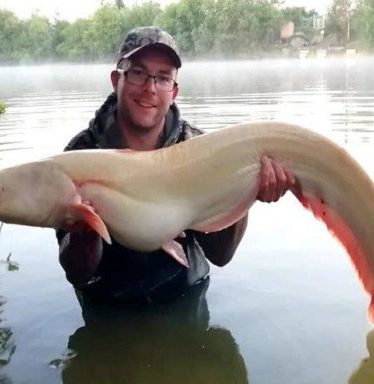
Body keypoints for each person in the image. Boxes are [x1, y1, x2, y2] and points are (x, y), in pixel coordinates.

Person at [56, 26, 295, 307]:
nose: (150, 87)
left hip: (185, 297)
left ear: (174, 91)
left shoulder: (200, 148)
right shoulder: (81, 154)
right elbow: (78, 273)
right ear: (116, 79)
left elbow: (222, 255)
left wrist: (245, 191)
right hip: (109, 307)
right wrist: (85, 231)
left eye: (163, 77)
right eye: (138, 73)